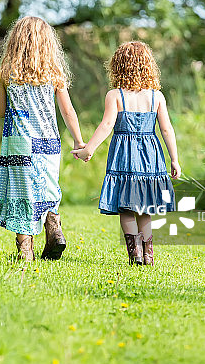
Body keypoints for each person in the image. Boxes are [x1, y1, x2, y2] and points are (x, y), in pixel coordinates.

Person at [72, 41, 181, 266]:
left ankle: (135, 254)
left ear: (118, 67)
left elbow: (106, 125)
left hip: (125, 156)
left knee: (126, 207)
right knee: (145, 207)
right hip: (150, 156)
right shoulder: (157, 96)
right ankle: (148, 255)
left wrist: (88, 149)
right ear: (148, 66)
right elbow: (166, 129)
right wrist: (174, 159)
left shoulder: (115, 95)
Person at [0, 16, 84, 262]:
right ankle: (53, 226)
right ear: (48, 44)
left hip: (19, 142)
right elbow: (67, 111)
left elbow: (1, 111)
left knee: (21, 193)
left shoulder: (6, 73)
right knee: (48, 187)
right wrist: (78, 141)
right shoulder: (53, 73)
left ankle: (25, 250)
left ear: (15, 43)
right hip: (48, 142)